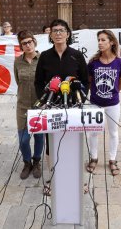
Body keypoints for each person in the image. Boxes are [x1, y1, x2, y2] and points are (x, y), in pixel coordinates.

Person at [34, 19, 89, 194]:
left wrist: (81, 98)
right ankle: (53, 178)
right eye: (55, 31)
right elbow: (38, 82)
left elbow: (85, 81)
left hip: (73, 106)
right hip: (52, 108)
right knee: (51, 144)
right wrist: (43, 102)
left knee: (74, 141)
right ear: (50, 35)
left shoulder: (76, 55)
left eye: (61, 30)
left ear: (68, 34)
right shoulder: (44, 56)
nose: (58, 33)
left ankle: (78, 179)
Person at [86, 30, 121, 176]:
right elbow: (90, 80)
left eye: (103, 40)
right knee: (93, 132)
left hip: (112, 104)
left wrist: (114, 93)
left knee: (113, 132)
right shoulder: (93, 62)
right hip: (95, 103)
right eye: (98, 40)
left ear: (111, 42)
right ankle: (93, 158)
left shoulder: (120, 63)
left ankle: (112, 160)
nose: (100, 42)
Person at [14, 30, 44, 179]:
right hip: (23, 106)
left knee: (39, 137)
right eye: (24, 43)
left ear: (34, 41)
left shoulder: (43, 59)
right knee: (23, 139)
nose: (27, 45)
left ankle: (36, 161)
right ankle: (27, 162)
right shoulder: (17, 62)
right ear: (21, 46)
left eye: (29, 41)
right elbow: (18, 81)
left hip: (40, 106)